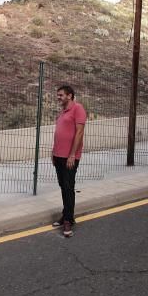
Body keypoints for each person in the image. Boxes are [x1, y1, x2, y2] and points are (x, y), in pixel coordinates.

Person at [51, 85, 86, 237]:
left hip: (70, 157)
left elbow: (79, 132)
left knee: (68, 186)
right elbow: (58, 133)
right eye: (58, 95)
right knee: (63, 185)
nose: (58, 97)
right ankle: (66, 214)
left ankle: (68, 221)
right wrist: (53, 151)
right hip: (58, 156)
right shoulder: (62, 112)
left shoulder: (78, 109)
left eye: (61, 95)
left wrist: (72, 155)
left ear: (70, 95)